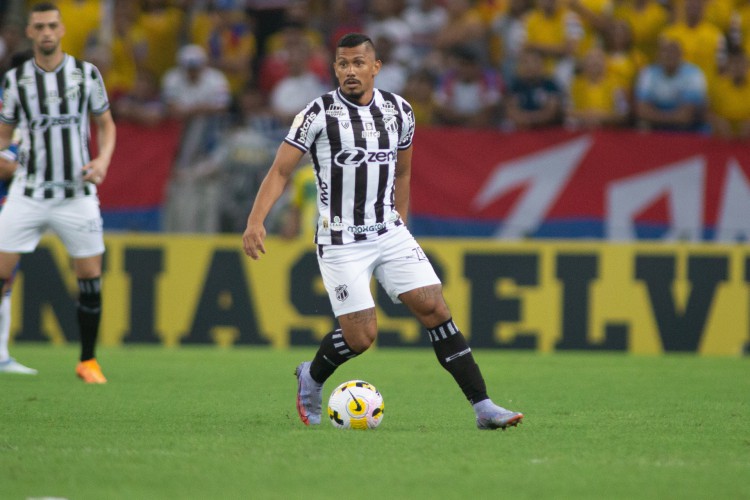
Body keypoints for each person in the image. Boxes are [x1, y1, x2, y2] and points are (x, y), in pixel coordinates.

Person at [242, 33, 523, 431]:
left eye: (358, 63)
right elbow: (281, 171)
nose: (350, 71)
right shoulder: (317, 113)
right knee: (361, 337)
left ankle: (483, 406)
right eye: (343, 64)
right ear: (335, 68)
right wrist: (256, 221)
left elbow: (403, 171)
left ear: (375, 67)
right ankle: (313, 377)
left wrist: (400, 224)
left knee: (434, 308)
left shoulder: (399, 110)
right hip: (340, 239)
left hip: (388, 231)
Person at [0, 3, 116, 383]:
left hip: (76, 194)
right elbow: (4, 134)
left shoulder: (85, 75)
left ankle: (88, 361)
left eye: (52, 25)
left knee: (90, 277)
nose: (47, 32)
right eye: (40, 27)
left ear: (62, 29)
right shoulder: (16, 81)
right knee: (1, 272)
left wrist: (102, 161)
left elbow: (106, 124)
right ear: (30, 33)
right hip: (28, 192)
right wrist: (6, 158)